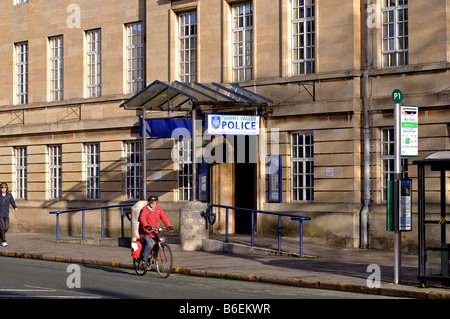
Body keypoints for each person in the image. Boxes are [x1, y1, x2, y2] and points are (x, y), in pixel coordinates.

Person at [138, 195, 172, 267]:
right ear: (149, 203)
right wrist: (146, 225)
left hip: (155, 230)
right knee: (150, 244)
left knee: (160, 241)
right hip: (145, 231)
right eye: (152, 203)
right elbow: (142, 218)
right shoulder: (145, 209)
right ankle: (144, 261)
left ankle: (153, 257)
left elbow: (164, 218)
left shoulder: (159, 209)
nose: (154, 205)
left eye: (155, 203)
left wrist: (169, 226)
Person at [0, 183, 18, 247]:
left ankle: (0, 237)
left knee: (6, 227)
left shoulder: (9, 195)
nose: (3, 189)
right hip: (0, 214)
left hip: (6, 213)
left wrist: (15, 207)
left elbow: (12, 202)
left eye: (5, 188)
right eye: (2, 188)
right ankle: (4, 241)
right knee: (2, 227)